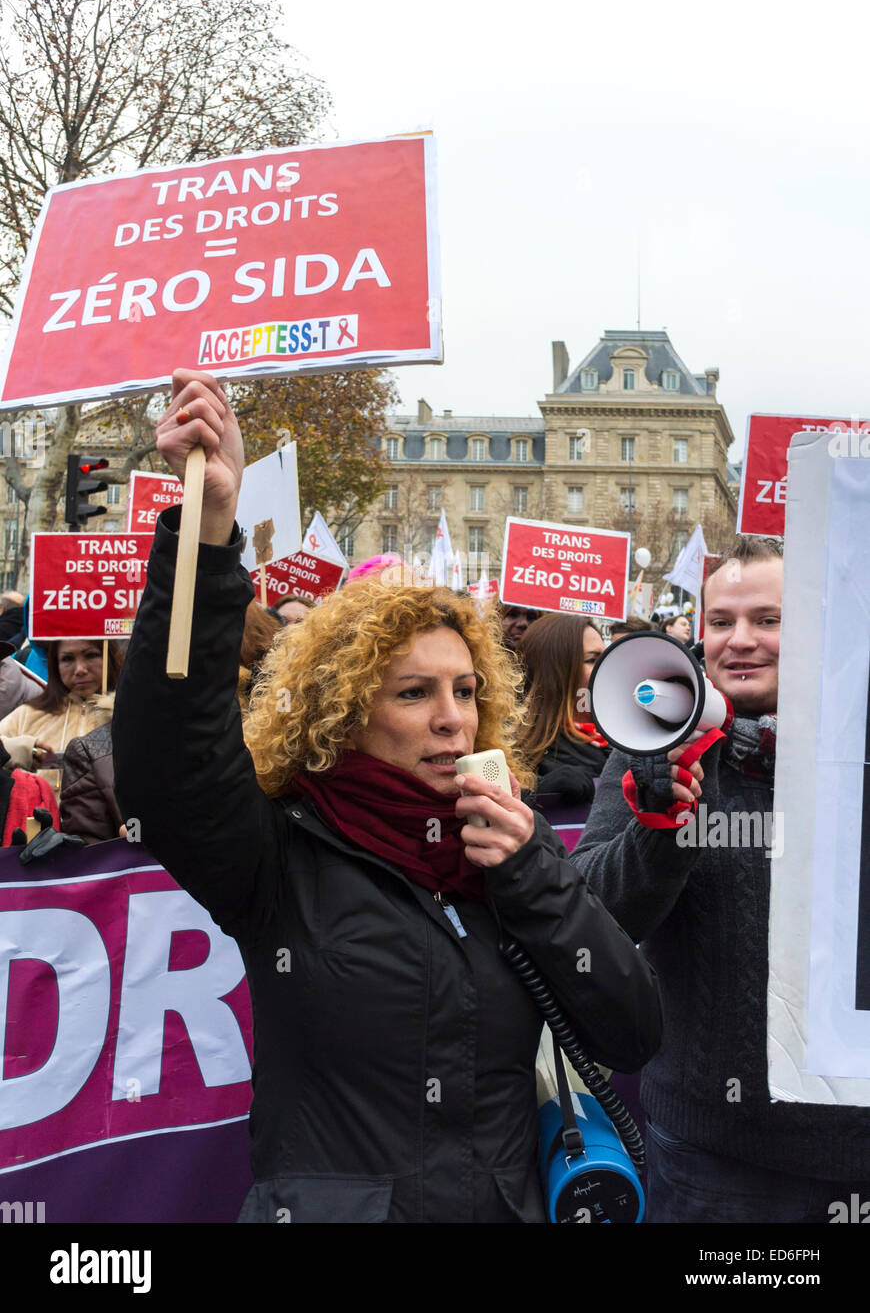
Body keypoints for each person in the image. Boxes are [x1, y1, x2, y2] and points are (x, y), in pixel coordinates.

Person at [113, 368, 662, 1225]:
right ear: (345, 714)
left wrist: (532, 878)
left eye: (467, 690)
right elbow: (169, 753)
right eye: (413, 694)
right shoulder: (283, 852)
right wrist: (207, 532)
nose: (453, 720)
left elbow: (631, 1031)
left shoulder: (513, 843)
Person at [577, 535, 870, 1222]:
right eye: (720, 621)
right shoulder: (654, 734)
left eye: (769, 620)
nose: (740, 640)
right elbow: (591, 917)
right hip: (717, 1160)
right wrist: (661, 825)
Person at [516, 614, 607, 805]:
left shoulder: (628, 741)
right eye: (592, 660)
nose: (607, 668)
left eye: (606, 658)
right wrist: (538, 793)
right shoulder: (512, 753)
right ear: (555, 672)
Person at [0, 639, 121, 781]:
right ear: (55, 664)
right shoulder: (26, 715)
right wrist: (8, 751)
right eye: (67, 659)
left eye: (90, 655)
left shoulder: (131, 715)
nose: (80, 669)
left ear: (109, 657)